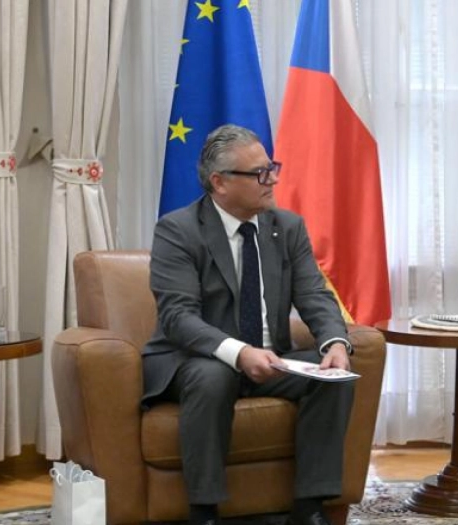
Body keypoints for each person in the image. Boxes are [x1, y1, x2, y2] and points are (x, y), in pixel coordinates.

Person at [141, 124, 354, 525]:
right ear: (219, 182)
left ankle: (310, 508)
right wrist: (239, 353)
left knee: (334, 377)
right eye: (259, 173)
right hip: (197, 359)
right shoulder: (178, 230)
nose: (272, 180)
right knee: (214, 376)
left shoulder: (287, 228)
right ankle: (204, 512)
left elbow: (314, 295)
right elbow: (177, 317)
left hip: (272, 360)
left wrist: (334, 344)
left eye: (271, 168)